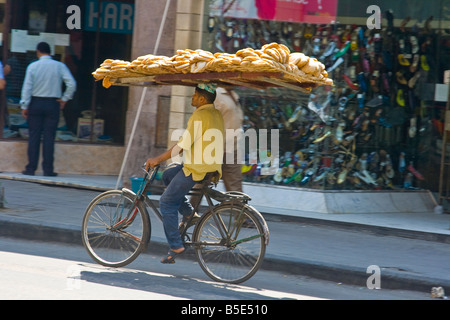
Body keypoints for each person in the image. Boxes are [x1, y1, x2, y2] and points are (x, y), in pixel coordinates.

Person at [145, 83, 224, 264]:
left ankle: (175, 244)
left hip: (197, 168)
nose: (192, 97)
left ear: (202, 99)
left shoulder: (200, 115)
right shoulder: (216, 113)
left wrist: (157, 159)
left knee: (166, 202)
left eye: (195, 95)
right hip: (209, 166)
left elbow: (181, 146)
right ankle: (189, 213)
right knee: (168, 175)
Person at [20, 42, 76, 176]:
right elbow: (72, 83)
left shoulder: (33, 66)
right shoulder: (59, 66)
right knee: (49, 137)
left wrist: (24, 105)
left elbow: (27, 88)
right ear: (50, 52)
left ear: (38, 51)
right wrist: (65, 98)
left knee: (34, 136)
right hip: (53, 104)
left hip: (36, 103)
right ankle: (48, 170)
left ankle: (30, 168)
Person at [214, 86, 244, 192]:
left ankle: (237, 208)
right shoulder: (216, 94)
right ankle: (191, 208)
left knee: (235, 185)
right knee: (202, 183)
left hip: (233, 147)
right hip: (216, 147)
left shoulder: (234, 96)